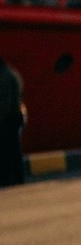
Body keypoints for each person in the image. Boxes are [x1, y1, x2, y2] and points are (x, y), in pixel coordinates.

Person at [0, 56, 26, 188]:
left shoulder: (4, 77)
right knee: (13, 150)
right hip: (16, 116)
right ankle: (17, 178)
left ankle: (7, 179)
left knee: (6, 150)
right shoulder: (12, 74)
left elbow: (5, 101)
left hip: (8, 119)